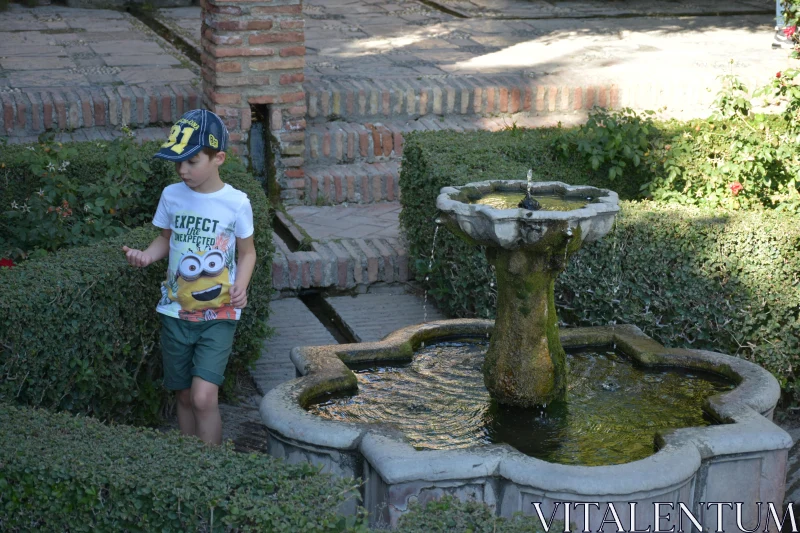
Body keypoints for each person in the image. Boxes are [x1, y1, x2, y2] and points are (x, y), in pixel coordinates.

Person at [122, 109, 256, 445]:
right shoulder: (172, 195)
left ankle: (210, 470)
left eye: (192, 161)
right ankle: (189, 462)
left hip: (219, 314)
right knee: (183, 397)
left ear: (218, 158)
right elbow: (165, 240)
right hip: (175, 313)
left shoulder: (237, 203)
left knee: (203, 398)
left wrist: (241, 285)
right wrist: (146, 256)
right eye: (177, 162)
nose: (183, 170)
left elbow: (248, 252)